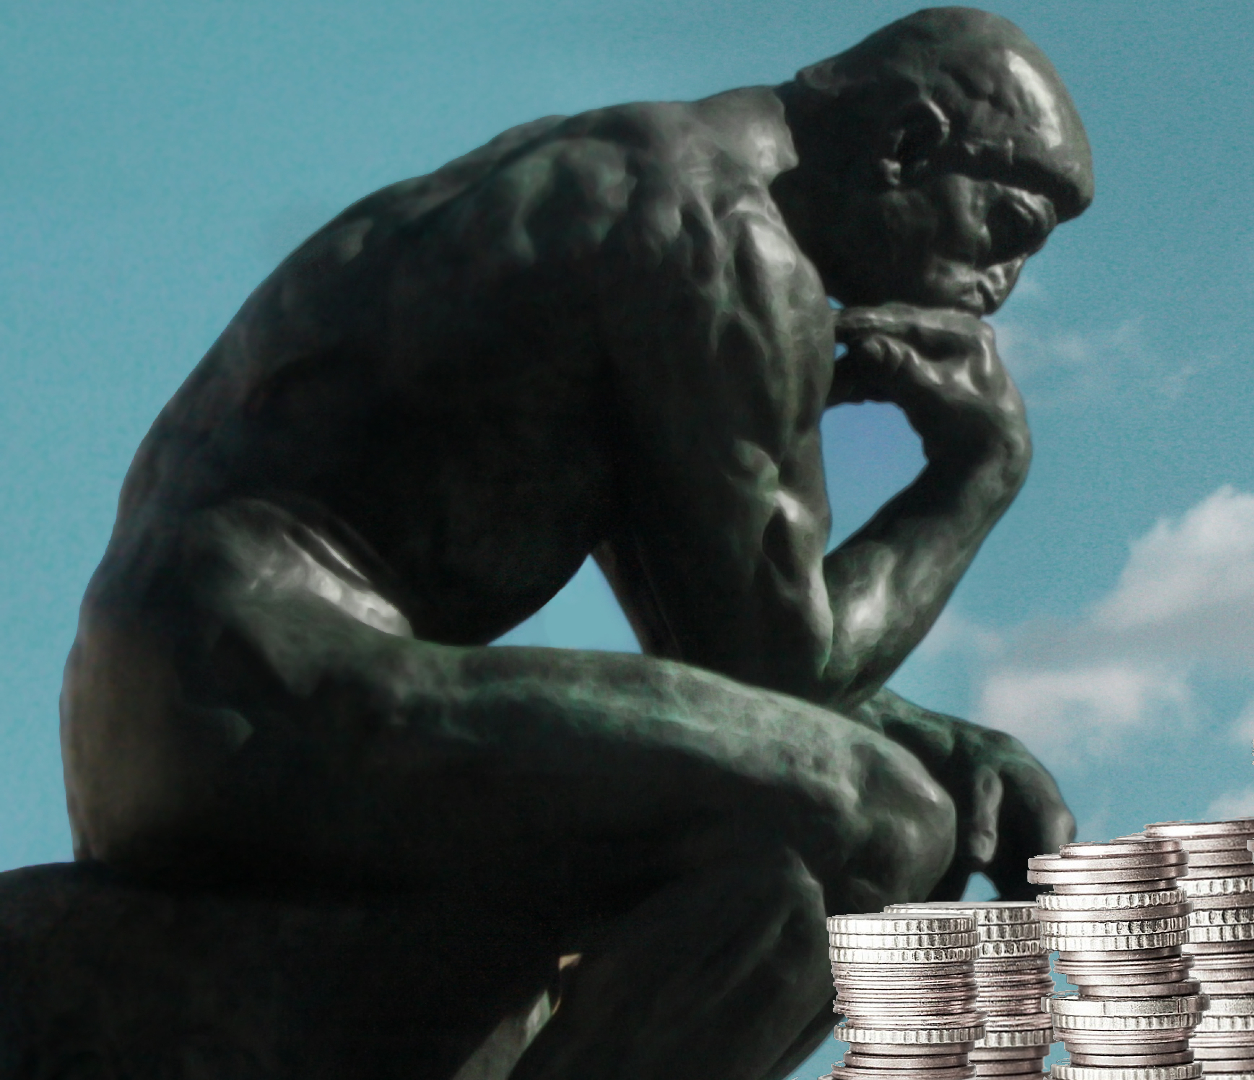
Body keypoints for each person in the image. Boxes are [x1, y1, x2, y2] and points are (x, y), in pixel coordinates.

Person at [56, 7, 1089, 1077]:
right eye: (1004, 227)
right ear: (906, 147)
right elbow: (778, 668)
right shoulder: (725, 235)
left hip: (168, 700)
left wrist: (925, 726)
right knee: (880, 825)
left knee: (801, 877)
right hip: (247, 701)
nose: (1000, 287)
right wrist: (975, 478)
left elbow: (727, 661)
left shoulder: (635, 168)